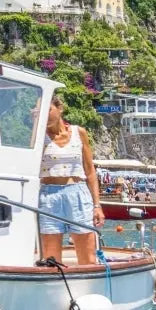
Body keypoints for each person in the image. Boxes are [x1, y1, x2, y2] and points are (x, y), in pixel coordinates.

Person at [39, 100, 103, 267]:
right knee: (51, 261)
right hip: (49, 196)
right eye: (40, 111)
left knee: (88, 258)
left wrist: (97, 205)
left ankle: (89, 289)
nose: (45, 115)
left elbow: (90, 172)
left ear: (60, 108)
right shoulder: (38, 137)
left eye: (49, 109)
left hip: (78, 193)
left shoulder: (79, 132)